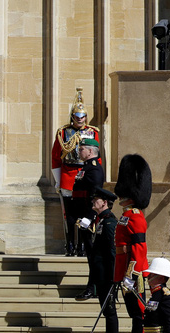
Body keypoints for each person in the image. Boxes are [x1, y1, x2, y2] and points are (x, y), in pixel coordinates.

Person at [51, 88, 101, 256]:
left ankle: (83, 245)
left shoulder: (92, 132)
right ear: (72, 117)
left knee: (85, 213)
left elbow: (98, 159)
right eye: (77, 117)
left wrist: (97, 181)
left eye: (83, 117)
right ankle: (70, 245)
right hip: (68, 177)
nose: (80, 120)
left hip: (86, 177)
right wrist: (58, 180)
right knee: (69, 216)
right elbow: (56, 157)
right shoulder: (63, 133)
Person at [112, 154, 152, 333]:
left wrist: (131, 274)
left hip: (134, 275)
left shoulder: (135, 217)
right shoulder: (126, 215)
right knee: (134, 316)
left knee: (139, 316)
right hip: (125, 272)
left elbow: (138, 249)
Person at [72, 139, 106, 301]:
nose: (79, 151)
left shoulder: (94, 169)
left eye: (82, 149)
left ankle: (93, 288)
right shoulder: (85, 168)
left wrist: (90, 217)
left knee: (94, 256)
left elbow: (95, 195)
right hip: (82, 215)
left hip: (89, 218)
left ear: (91, 152)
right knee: (90, 255)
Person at [90, 187, 120, 333]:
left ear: (104, 203)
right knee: (107, 311)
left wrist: (114, 277)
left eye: (97, 199)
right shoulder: (101, 220)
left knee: (109, 311)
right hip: (101, 275)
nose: (94, 201)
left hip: (107, 276)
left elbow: (112, 251)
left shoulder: (109, 222)